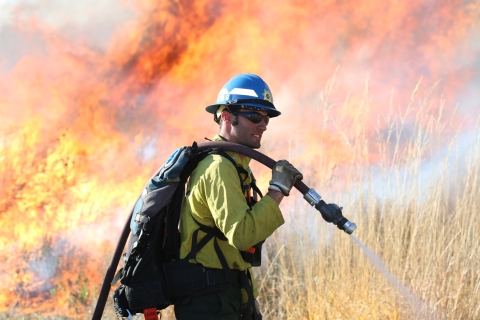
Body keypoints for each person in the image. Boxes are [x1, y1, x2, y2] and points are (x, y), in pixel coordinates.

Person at [174, 74, 303, 320]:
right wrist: (277, 190)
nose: (263, 124)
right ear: (226, 116)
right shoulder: (218, 167)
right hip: (209, 301)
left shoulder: (236, 164)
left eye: (266, 118)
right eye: (255, 116)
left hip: (227, 294)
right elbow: (242, 235)